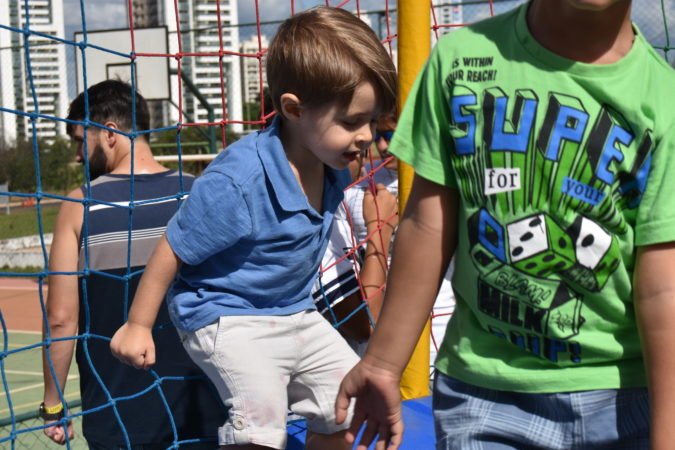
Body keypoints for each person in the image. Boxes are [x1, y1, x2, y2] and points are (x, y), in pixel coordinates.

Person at [336, 1, 675, 449]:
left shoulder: (663, 100)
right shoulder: (460, 59)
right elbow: (427, 226)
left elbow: (662, 288)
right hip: (486, 392)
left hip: (621, 397)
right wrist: (382, 362)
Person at [110, 7, 397, 450]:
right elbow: (173, 246)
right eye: (351, 122)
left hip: (293, 309)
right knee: (261, 420)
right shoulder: (240, 181)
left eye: (372, 121)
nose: (366, 136)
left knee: (349, 400)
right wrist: (137, 324)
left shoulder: (333, 164)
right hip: (226, 315)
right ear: (294, 109)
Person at [41, 79, 226, 448]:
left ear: (109, 133)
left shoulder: (80, 206)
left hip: (117, 416)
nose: (78, 155)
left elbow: (61, 319)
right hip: (204, 406)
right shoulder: (198, 193)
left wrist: (52, 405)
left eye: (80, 140)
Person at [314, 116, 455, 364]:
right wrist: (379, 227)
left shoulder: (450, 181)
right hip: (380, 346)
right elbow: (363, 319)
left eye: (392, 136)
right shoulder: (356, 188)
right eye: (377, 136)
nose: (382, 146)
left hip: (444, 339)